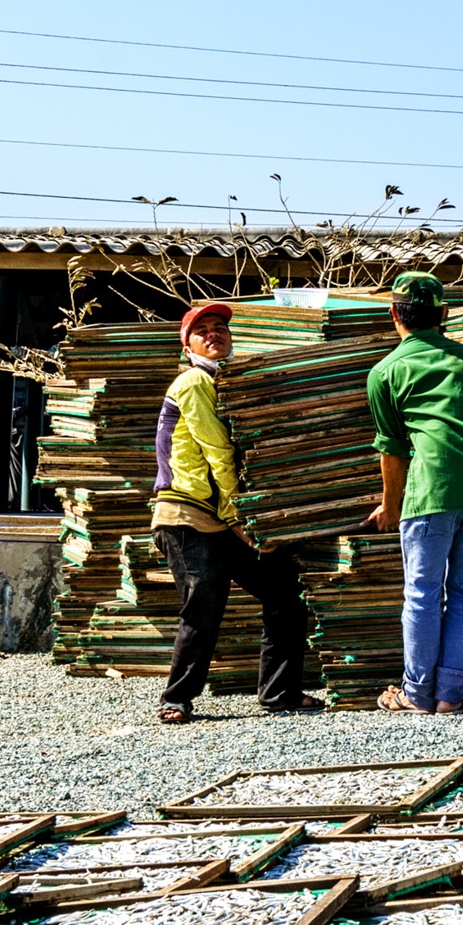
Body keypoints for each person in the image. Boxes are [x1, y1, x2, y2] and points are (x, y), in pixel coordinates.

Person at [152, 302, 319, 723]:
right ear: (187, 344)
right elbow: (218, 452)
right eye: (202, 329)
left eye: (220, 327)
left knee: (284, 591)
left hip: (224, 514)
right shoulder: (193, 381)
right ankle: (176, 698)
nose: (214, 334)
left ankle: (279, 692)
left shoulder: (227, 382)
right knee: (203, 599)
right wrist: (241, 519)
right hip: (189, 514)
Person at [367, 272, 463, 715]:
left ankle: (415, 692)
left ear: (393, 313)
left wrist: (390, 506)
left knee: (422, 592)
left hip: (432, 488)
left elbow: (392, 450)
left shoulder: (386, 371)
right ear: (443, 314)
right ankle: (450, 696)